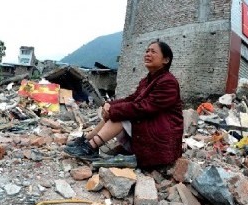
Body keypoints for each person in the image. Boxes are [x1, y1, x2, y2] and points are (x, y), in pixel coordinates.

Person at [64, 40, 183, 168]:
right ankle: (87, 140)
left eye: (153, 51)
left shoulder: (168, 82)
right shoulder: (147, 80)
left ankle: (90, 147)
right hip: (151, 126)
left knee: (122, 114)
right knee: (117, 111)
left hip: (163, 138)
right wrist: (110, 105)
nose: (147, 54)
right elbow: (132, 99)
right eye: (147, 51)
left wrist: (114, 110)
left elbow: (144, 108)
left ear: (165, 60)